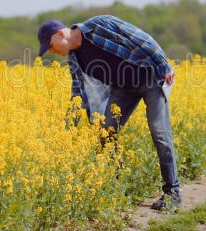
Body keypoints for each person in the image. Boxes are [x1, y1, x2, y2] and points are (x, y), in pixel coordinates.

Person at [36, 15, 181, 210]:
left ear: (60, 33)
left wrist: (163, 64)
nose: (51, 51)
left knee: (159, 132)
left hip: (150, 76)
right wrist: (70, 126)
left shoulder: (98, 25)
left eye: (50, 46)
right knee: (107, 132)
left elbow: (141, 38)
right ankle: (117, 190)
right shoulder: (74, 58)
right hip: (123, 89)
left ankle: (173, 193)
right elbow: (78, 93)